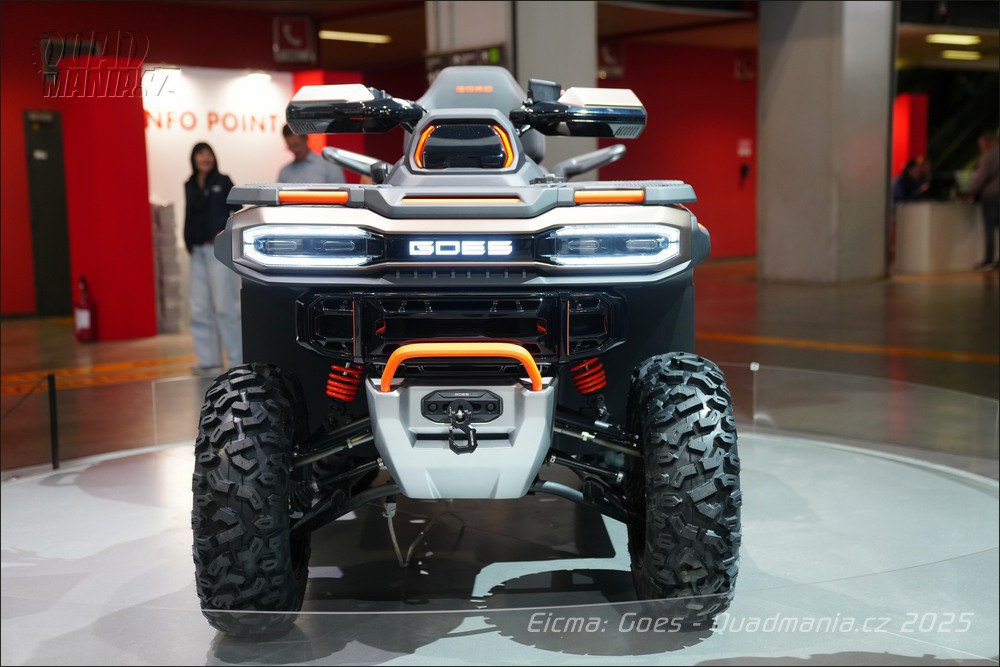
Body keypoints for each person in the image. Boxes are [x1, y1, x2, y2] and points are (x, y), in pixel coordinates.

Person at [183, 142, 242, 375]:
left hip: (217, 251)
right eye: (200, 154)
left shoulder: (223, 181)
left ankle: (238, 361)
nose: (205, 158)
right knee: (199, 307)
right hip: (197, 252)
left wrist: (227, 237)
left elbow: (238, 209)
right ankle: (209, 361)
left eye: (208, 154)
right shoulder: (190, 184)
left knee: (224, 307)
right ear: (193, 158)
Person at [967, 130, 999, 270]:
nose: (981, 148)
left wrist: (971, 192)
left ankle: (989, 260)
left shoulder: (988, 156)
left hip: (990, 196)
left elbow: (980, 178)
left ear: (988, 142)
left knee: (989, 229)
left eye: (981, 144)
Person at [278, 124, 345, 183]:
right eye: (290, 146)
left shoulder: (329, 165)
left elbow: (341, 192)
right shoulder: (285, 172)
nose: (294, 150)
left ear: (306, 139)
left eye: (296, 145)